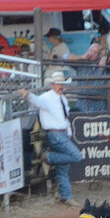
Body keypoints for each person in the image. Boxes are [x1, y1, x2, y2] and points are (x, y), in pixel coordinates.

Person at [17, 72, 82, 206]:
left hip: (62, 133)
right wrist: (28, 94)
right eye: (59, 84)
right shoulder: (47, 98)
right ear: (52, 84)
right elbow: (36, 100)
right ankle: (48, 157)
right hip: (56, 134)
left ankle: (66, 196)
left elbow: (66, 118)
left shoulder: (62, 98)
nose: (61, 86)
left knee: (63, 168)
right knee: (77, 156)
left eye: (62, 84)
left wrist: (68, 132)